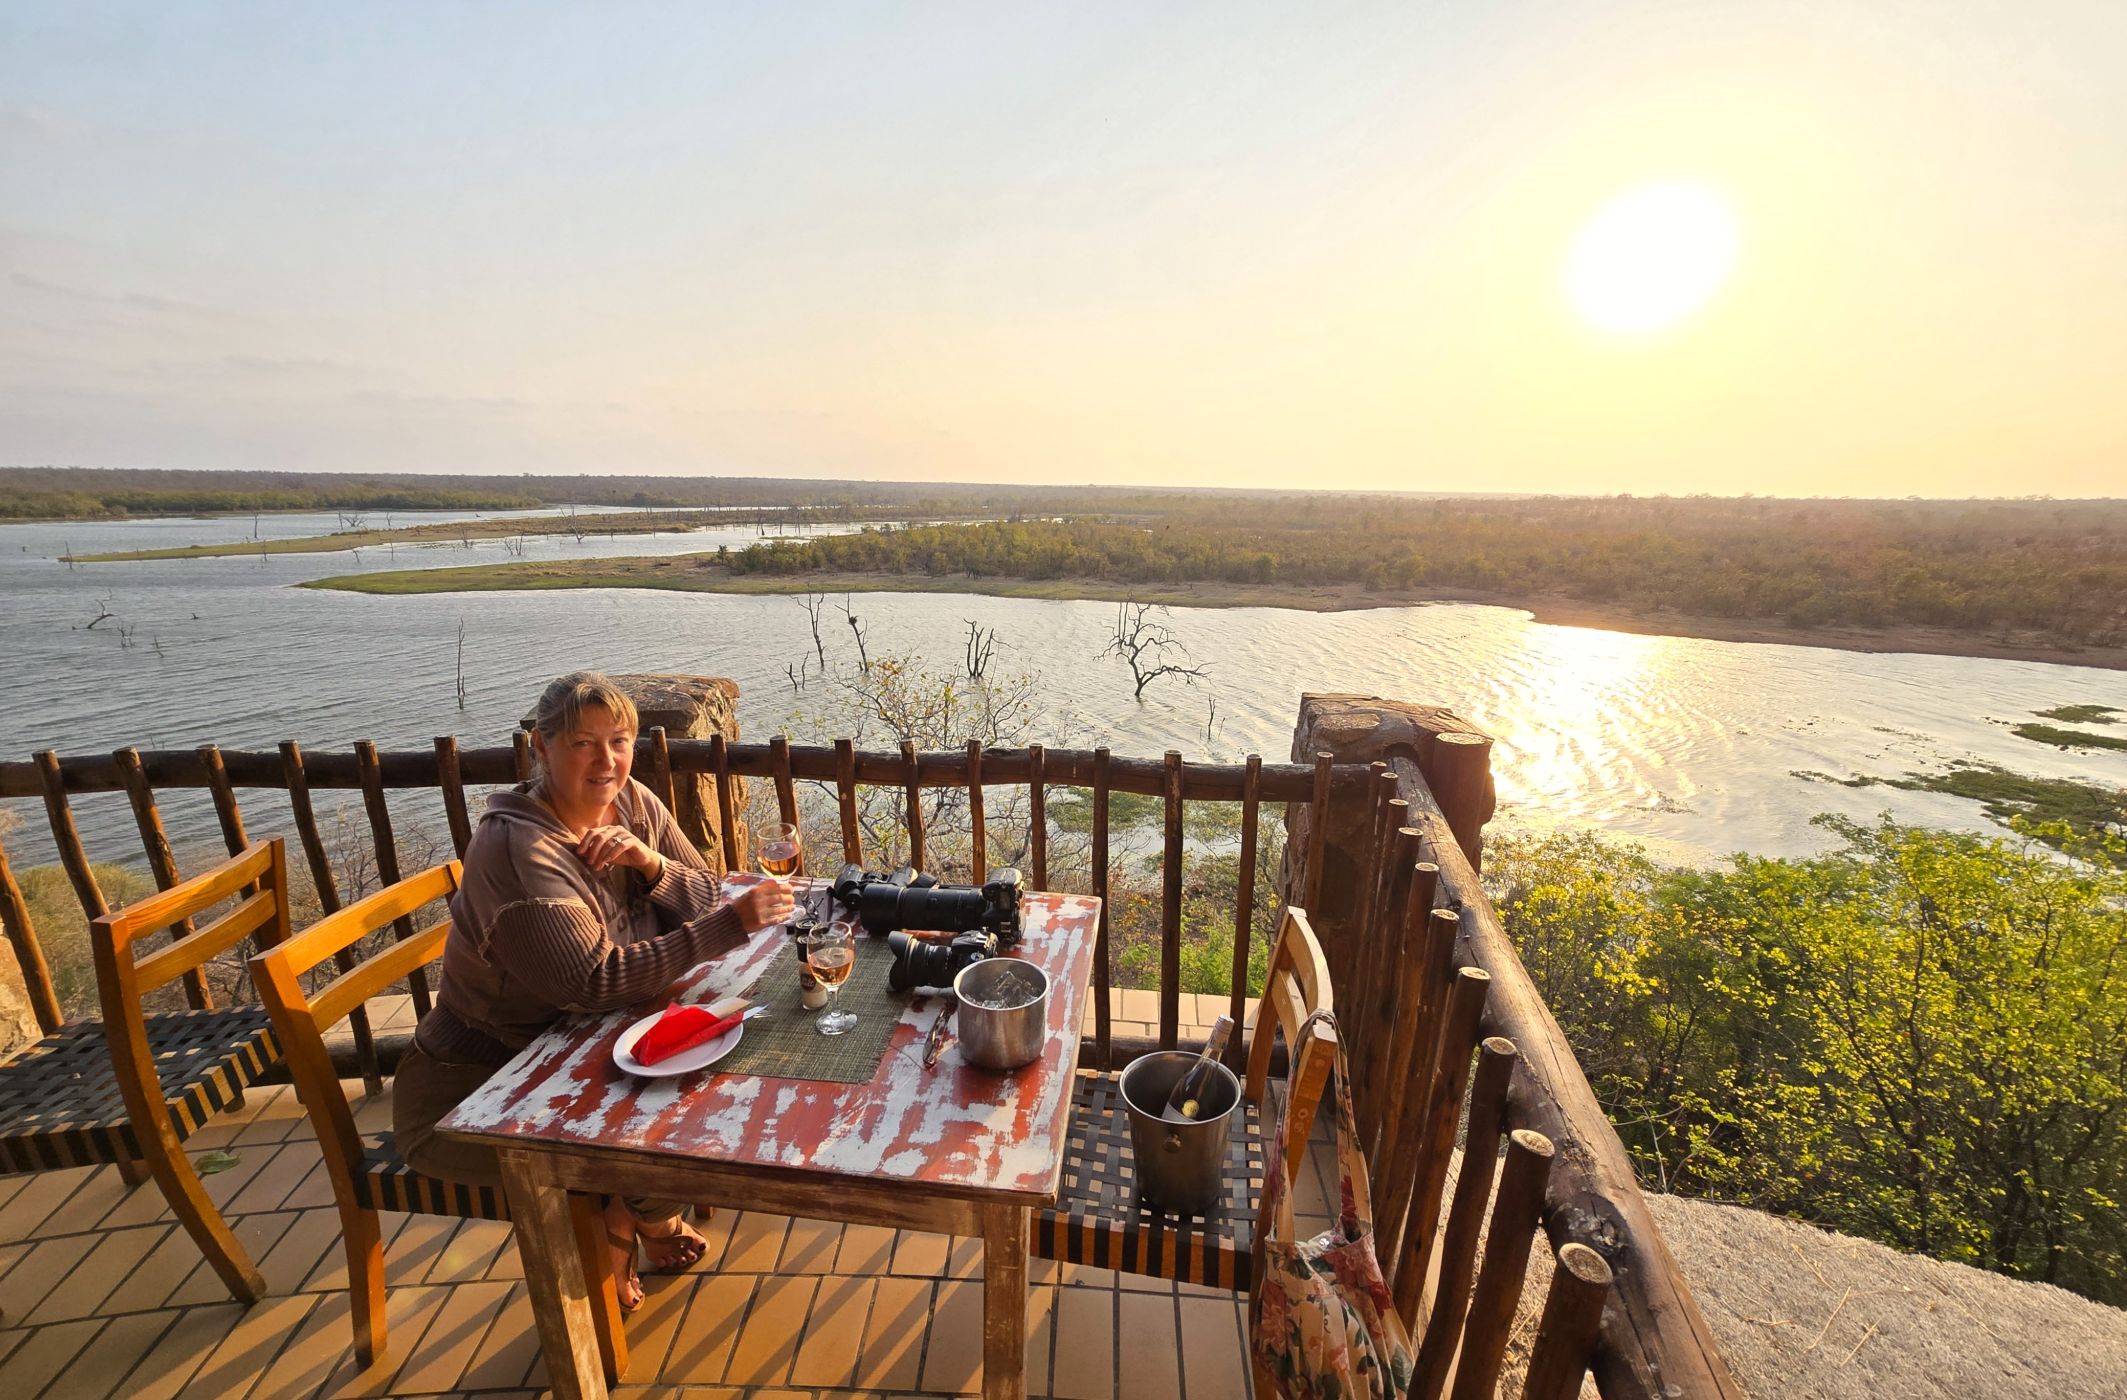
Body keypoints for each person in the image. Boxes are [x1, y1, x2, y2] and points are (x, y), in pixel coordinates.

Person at [394, 671, 793, 1309]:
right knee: (630, 1146)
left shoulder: (631, 801)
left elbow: (701, 897)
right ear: (542, 749)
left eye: (619, 740)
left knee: (706, 1092)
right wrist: (732, 925)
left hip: (582, 1053)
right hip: (474, 1088)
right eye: (583, 743)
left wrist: (650, 863)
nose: (606, 760)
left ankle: (643, 1208)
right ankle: (621, 1220)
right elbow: (594, 983)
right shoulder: (520, 850)